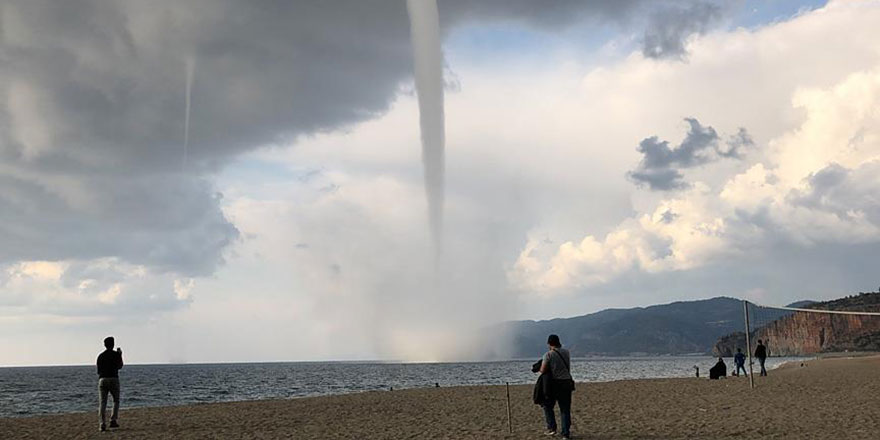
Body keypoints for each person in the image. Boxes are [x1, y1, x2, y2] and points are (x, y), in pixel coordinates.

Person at [539, 334, 574, 439]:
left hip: (554, 384)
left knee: (548, 406)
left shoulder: (548, 355)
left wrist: (540, 368)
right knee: (565, 409)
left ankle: (552, 428)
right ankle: (565, 434)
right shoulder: (566, 352)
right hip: (567, 383)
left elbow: (543, 370)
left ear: (549, 343)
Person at [97, 336, 124, 432]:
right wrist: (120, 355)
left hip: (102, 379)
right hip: (113, 378)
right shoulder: (116, 355)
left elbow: (98, 371)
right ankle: (113, 420)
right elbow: (120, 366)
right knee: (116, 400)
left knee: (102, 403)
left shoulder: (100, 356)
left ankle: (102, 423)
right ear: (113, 344)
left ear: (104, 345)